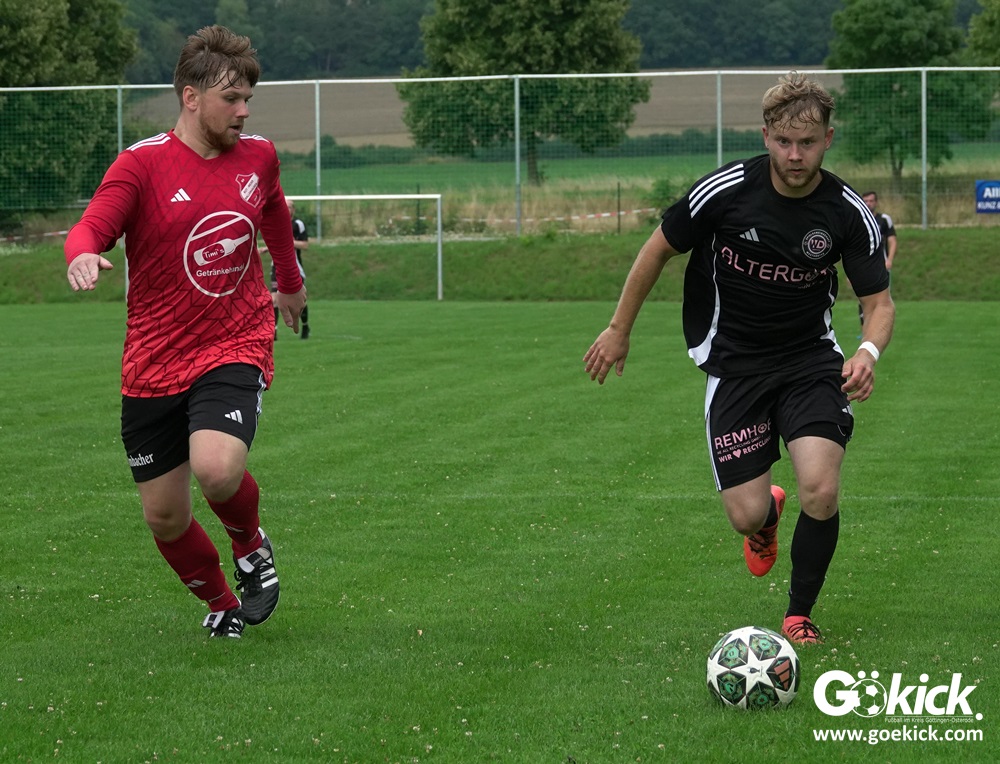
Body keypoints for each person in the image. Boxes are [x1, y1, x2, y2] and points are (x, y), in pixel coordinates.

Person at [583, 72, 894, 645]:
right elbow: (657, 249)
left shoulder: (847, 212)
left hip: (809, 362)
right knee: (745, 515)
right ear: (765, 136)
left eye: (808, 142)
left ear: (828, 139)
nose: (795, 155)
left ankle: (798, 614)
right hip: (735, 366)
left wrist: (867, 351)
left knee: (820, 488)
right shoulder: (725, 192)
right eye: (784, 142)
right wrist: (618, 329)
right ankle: (766, 518)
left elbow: (879, 304)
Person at [64, 25, 307, 639]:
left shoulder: (259, 156)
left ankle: (250, 545)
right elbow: (92, 226)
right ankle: (223, 604)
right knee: (165, 517)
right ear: (191, 97)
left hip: (235, 338)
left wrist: (289, 282)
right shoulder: (141, 165)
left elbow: (274, 210)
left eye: (248, 98)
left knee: (217, 469)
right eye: (232, 99)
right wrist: (82, 253)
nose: (244, 111)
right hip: (153, 358)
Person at [271, 198, 310, 339]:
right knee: (274, 299)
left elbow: (305, 245)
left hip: (295, 267)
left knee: (299, 300)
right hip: (276, 266)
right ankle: (274, 331)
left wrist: (288, 241)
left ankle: (305, 326)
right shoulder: (276, 223)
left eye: (289, 207)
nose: (286, 209)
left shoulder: (297, 224)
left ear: (293, 209)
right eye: (284, 206)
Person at [858, 191, 897, 330]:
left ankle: (880, 331)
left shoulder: (884, 219)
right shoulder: (857, 219)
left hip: (881, 266)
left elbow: (892, 240)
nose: (868, 204)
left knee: (882, 300)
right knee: (863, 300)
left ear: (876, 202)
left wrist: (889, 260)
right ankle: (866, 332)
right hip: (862, 267)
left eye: (871, 201)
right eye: (865, 201)